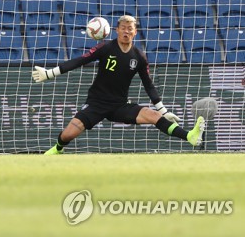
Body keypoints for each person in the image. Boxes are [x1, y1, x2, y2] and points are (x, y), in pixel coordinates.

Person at [32, 15, 206, 155]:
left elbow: (149, 85)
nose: (126, 31)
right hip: (97, 103)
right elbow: (80, 60)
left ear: (135, 32)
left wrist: (163, 111)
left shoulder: (139, 57)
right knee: (67, 134)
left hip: (120, 105)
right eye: (123, 28)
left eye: (130, 29)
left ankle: (190, 136)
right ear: (116, 30)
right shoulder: (106, 48)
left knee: (153, 116)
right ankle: (58, 149)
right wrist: (50, 73)